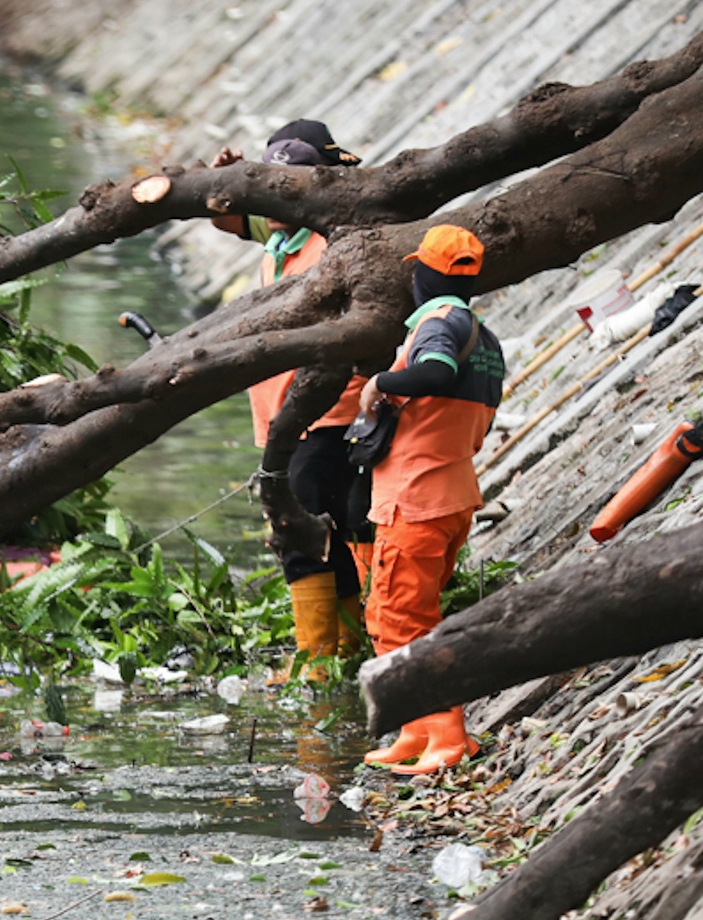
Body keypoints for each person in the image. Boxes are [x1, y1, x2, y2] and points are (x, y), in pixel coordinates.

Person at [211, 120, 370, 678]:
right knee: (328, 529)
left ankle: (320, 663)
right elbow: (233, 220)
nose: (275, 199)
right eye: (269, 185)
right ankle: (346, 654)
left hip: (325, 415)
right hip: (285, 417)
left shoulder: (333, 239)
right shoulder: (283, 235)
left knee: (301, 532)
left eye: (288, 186)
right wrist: (227, 180)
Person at [357, 225, 505, 774]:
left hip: (416, 498)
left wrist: (381, 383)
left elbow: (436, 372)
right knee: (399, 613)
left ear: (425, 276)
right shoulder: (485, 340)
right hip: (451, 492)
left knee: (402, 618)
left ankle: (446, 735)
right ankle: (416, 729)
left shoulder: (439, 326)